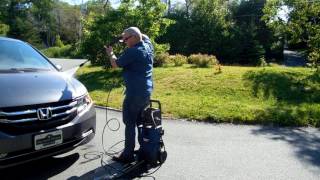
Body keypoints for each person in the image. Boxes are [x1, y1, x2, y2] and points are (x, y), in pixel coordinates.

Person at [105, 27, 154, 163]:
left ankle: (127, 155)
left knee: (130, 123)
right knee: (141, 122)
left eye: (125, 39)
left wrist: (110, 53)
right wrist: (124, 35)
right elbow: (144, 36)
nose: (124, 42)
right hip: (146, 92)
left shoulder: (132, 52)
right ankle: (144, 149)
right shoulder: (148, 46)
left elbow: (115, 64)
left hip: (134, 94)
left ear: (133, 37)